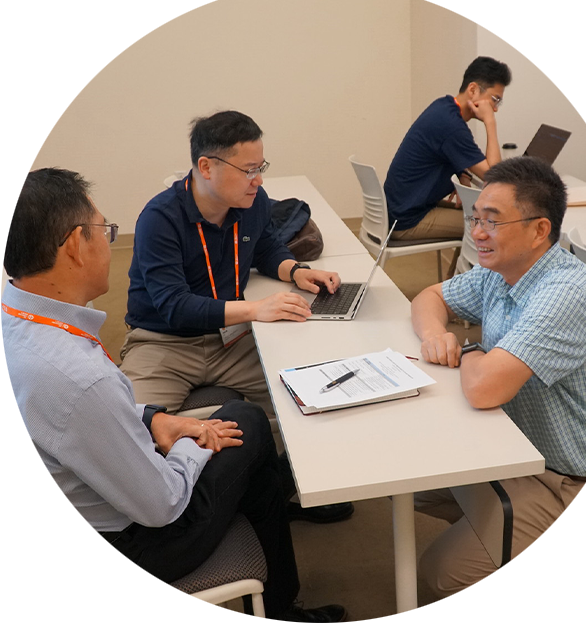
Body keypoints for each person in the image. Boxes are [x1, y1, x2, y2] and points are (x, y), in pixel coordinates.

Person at [1, 168, 347, 623]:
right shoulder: (78, 378)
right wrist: (192, 441)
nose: (110, 242)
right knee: (249, 425)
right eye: (104, 230)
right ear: (73, 246)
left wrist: (154, 421)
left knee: (238, 430)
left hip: (72, 529)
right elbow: (162, 504)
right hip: (131, 552)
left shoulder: (15, 328)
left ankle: (266, 522)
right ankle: (279, 608)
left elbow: (79, 417)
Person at [410, 157, 586, 622]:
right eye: (476, 218)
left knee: (445, 574)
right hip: (523, 453)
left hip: (573, 484)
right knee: (415, 484)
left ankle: (583, 575)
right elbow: (428, 297)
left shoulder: (562, 294)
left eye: (493, 221)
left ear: (539, 231)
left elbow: (483, 391)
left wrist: (468, 347)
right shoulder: (504, 270)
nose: (478, 232)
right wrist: (436, 334)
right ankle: (527, 542)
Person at [120, 110, 353, 524]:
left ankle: (285, 488)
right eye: (248, 170)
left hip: (232, 337)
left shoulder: (252, 203)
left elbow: (266, 248)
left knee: (306, 392)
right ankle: (178, 514)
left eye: (261, 168)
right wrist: (255, 310)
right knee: (129, 428)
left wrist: (298, 272)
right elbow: (173, 304)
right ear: (206, 167)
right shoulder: (159, 218)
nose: (258, 180)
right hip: (163, 341)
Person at [384, 56, 512, 243]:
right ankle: (469, 273)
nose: (496, 109)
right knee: (495, 226)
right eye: (495, 100)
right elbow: (495, 177)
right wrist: (490, 123)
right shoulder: (452, 126)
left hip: (401, 208)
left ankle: (462, 272)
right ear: (473, 90)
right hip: (407, 220)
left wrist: (463, 173)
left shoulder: (443, 107)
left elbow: (443, 149)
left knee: (478, 212)